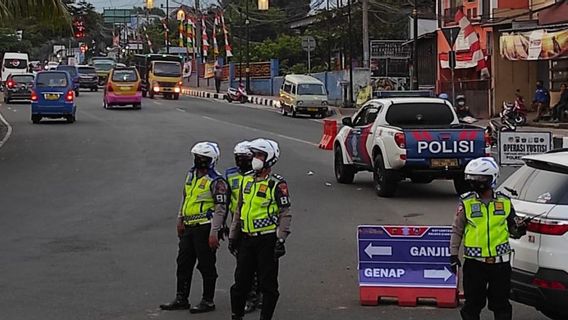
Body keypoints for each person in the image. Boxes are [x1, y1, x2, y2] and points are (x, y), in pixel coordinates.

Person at [450, 157, 527, 320]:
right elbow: (457, 230)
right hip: (474, 264)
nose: (475, 182)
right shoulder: (466, 202)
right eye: (472, 178)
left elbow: (514, 229)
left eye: (480, 178)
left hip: (500, 264)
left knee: (501, 305)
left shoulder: (505, 202)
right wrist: (453, 254)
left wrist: (520, 228)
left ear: (492, 178)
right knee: (472, 306)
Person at [160, 142, 228, 314]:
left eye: (202, 158)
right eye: (196, 157)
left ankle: (208, 300)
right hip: (189, 226)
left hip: (205, 227)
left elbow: (221, 208)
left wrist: (214, 232)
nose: (198, 160)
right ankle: (181, 298)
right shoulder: (191, 175)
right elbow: (185, 198)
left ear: (211, 160)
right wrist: (179, 220)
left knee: (206, 265)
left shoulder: (217, 181)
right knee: (183, 263)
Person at [228, 138, 292, 320]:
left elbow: (285, 213)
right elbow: (238, 210)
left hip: (267, 240)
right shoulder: (246, 180)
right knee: (240, 284)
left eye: (259, 155)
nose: (255, 159)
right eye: (254, 155)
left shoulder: (277, 184)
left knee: (268, 285)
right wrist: (233, 236)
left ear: (270, 158)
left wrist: (281, 239)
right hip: (246, 239)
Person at [224, 141, 262, 314]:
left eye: (244, 158)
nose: (240, 162)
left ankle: (255, 295)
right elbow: (225, 200)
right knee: (243, 264)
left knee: (257, 264)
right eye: (238, 158)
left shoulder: (258, 174)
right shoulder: (230, 174)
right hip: (237, 223)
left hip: (256, 225)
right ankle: (250, 294)